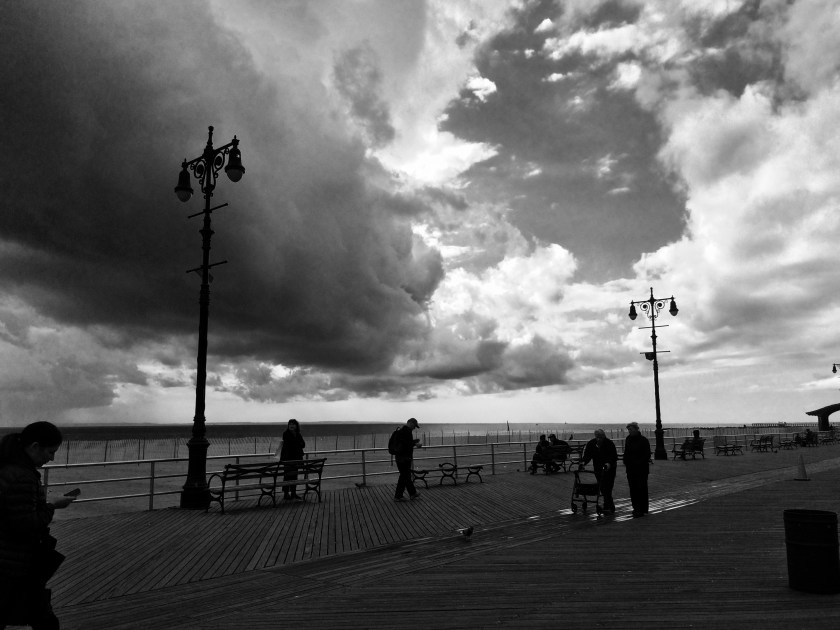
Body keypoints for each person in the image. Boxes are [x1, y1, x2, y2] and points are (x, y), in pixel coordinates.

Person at [0, 421, 76, 630]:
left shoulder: (8, 468)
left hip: (9, 560)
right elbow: (25, 524)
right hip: (14, 562)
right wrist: (52, 505)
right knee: (43, 618)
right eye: (50, 452)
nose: (52, 458)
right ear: (34, 447)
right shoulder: (22, 477)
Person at [580, 429, 618, 513]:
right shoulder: (591, 443)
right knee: (603, 487)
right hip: (598, 468)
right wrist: (583, 462)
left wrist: (609, 463)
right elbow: (587, 455)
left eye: (601, 437)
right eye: (597, 437)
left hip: (609, 469)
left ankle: (609, 506)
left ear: (604, 436)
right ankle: (608, 506)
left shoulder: (609, 443)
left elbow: (613, 456)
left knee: (607, 487)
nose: (599, 439)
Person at [623, 421, 652, 517]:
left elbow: (647, 454)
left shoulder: (643, 440)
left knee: (641, 489)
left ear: (636, 429)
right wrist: (626, 461)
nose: (629, 431)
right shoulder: (628, 439)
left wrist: (638, 463)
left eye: (630, 429)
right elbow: (626, 452)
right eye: (628, 430)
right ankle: (636, 508)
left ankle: (642, 509)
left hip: (641, 469)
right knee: (633, 489)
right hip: (631, 469)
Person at [392, 418, 422, 502]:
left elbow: (405, 443)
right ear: (410, 423)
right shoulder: (407, 431)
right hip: (404, 458)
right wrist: (416, 444)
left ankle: (405, 495)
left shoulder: (401, 431)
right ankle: (406, 494)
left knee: (404, 476)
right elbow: (406, 445)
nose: (414, 428)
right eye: (414, 426)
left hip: (399, 458)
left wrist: (414, 442)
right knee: (405, 476)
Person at [279, 419, 306, 501]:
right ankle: (286, 494)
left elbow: (303, 444)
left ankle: (293, 493)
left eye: (293, 424)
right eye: (290, 424)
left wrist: (296, 444)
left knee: (294, 476)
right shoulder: (286, 434)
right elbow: (290, 445)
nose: (291, 425)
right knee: (287, 476)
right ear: (288, 425)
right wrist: (297, 444)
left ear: (296, 425)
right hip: (288, 459)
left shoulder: (298, 434)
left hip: (296, 459)